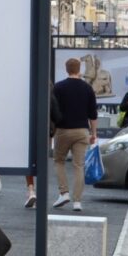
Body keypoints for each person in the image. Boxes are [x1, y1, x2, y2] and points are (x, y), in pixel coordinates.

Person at [52, 57, 98, 212]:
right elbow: (93, 114)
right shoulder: (87, 88)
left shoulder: (58, 88)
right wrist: (94, 133)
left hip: (63, 130)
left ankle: (64, 193)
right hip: (82, 131)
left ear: (67, 69)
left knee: (59, 161)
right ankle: (77, 201)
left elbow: (52, 109)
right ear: (80, 70)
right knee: (79, 166)